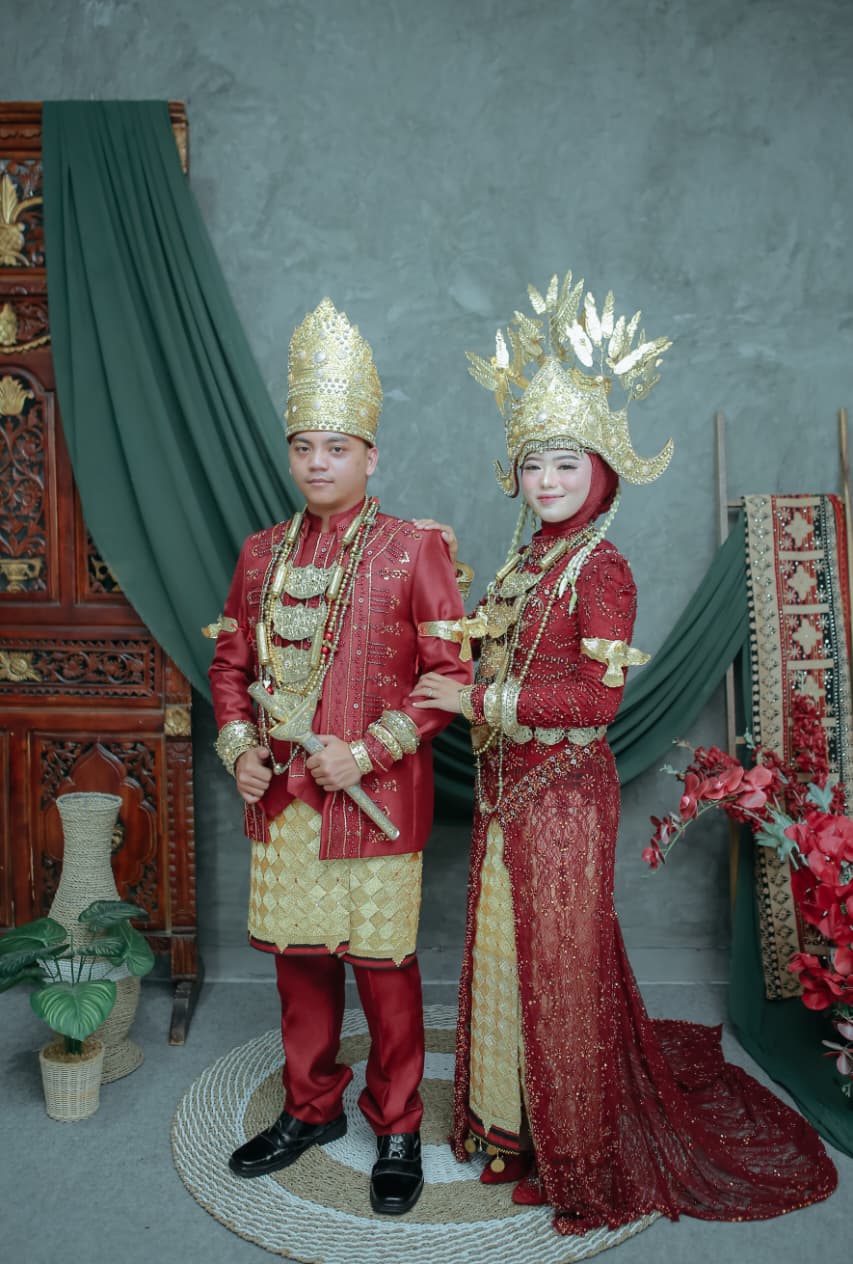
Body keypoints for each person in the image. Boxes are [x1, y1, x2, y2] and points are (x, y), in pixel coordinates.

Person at [412, 272, 837, 1234]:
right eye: (532, 464)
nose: (546, 481)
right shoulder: (524, 561)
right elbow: (492, 647)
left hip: (564, 791)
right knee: (509, 953)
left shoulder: (600, 568)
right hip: (507, 788)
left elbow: (595, 703)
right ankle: (510, 1127)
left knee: (560, 970)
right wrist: (439, 572)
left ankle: (574, 1157)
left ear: (602, 469)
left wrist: (476, 697)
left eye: (565, 464)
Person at [207, 298, 472, 1216]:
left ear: (370, 455)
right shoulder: (259, 554)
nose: (317, 463)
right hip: (284, 802)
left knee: (384, 972)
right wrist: (239, 750)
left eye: (336, 447)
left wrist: (367, 752)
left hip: (376, 803)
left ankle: (396, 1125)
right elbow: (230, 665)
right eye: (303, 447)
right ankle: (310, 1110)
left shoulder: (413, 549)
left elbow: (448, 675)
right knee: (301, 966)